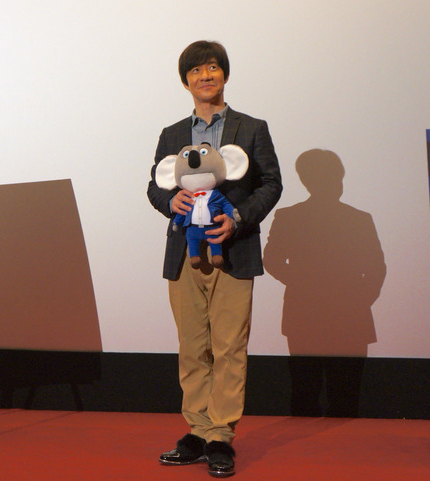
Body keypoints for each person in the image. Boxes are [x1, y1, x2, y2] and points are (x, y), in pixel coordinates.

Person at [147, 40, 282, 478]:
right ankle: (197, 430)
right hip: (184, 254)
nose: (205, 76)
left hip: (234, 250)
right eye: (196, 70)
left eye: (212, 68)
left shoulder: (252, 127)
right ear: (185, 81)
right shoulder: (171, 133)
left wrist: (237, 218)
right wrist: (171, 202)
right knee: (192, 346)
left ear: (224, 74)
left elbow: (271, 183)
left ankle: (221, 435)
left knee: (229, 346)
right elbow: (154, 185)